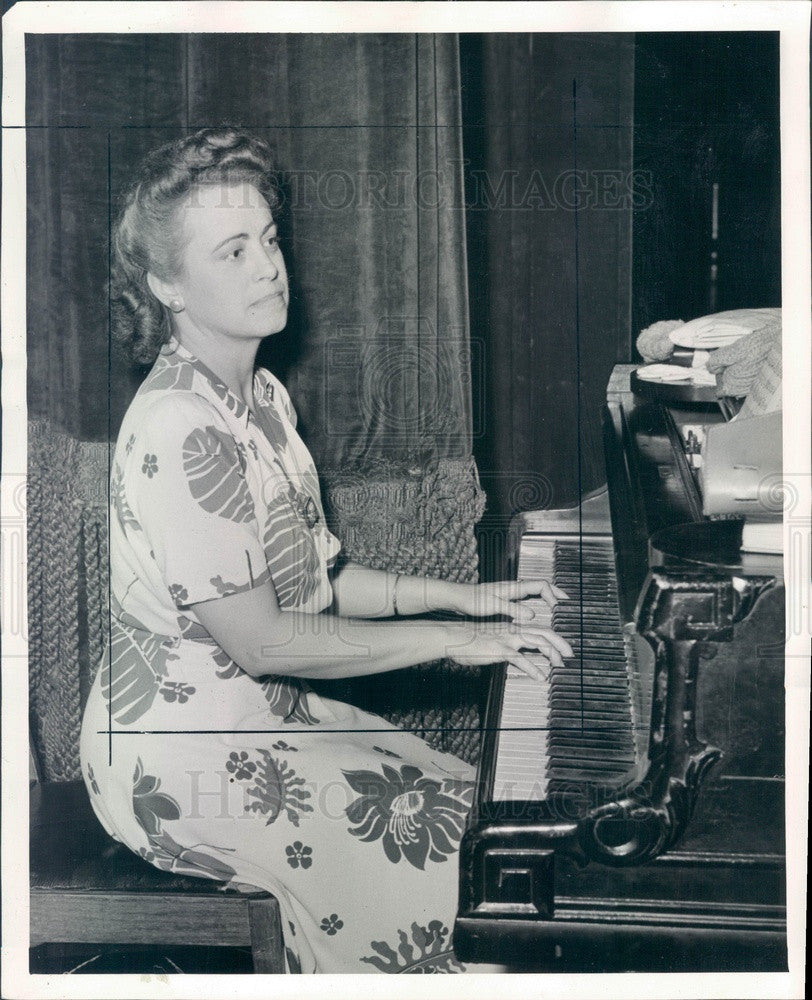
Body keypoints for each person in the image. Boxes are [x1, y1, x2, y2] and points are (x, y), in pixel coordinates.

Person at [79, 127, 572, 974]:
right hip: (180, 760)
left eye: (268, 240)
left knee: (474, 809)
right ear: (168, 285)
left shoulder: (261, 397)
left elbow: (326, 578)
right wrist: (455, 643)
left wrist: (464, 598)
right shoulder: (177, 426)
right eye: (231, 252)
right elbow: (264, 639)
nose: (268, 266)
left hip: (270, 719)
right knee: (445, 862)